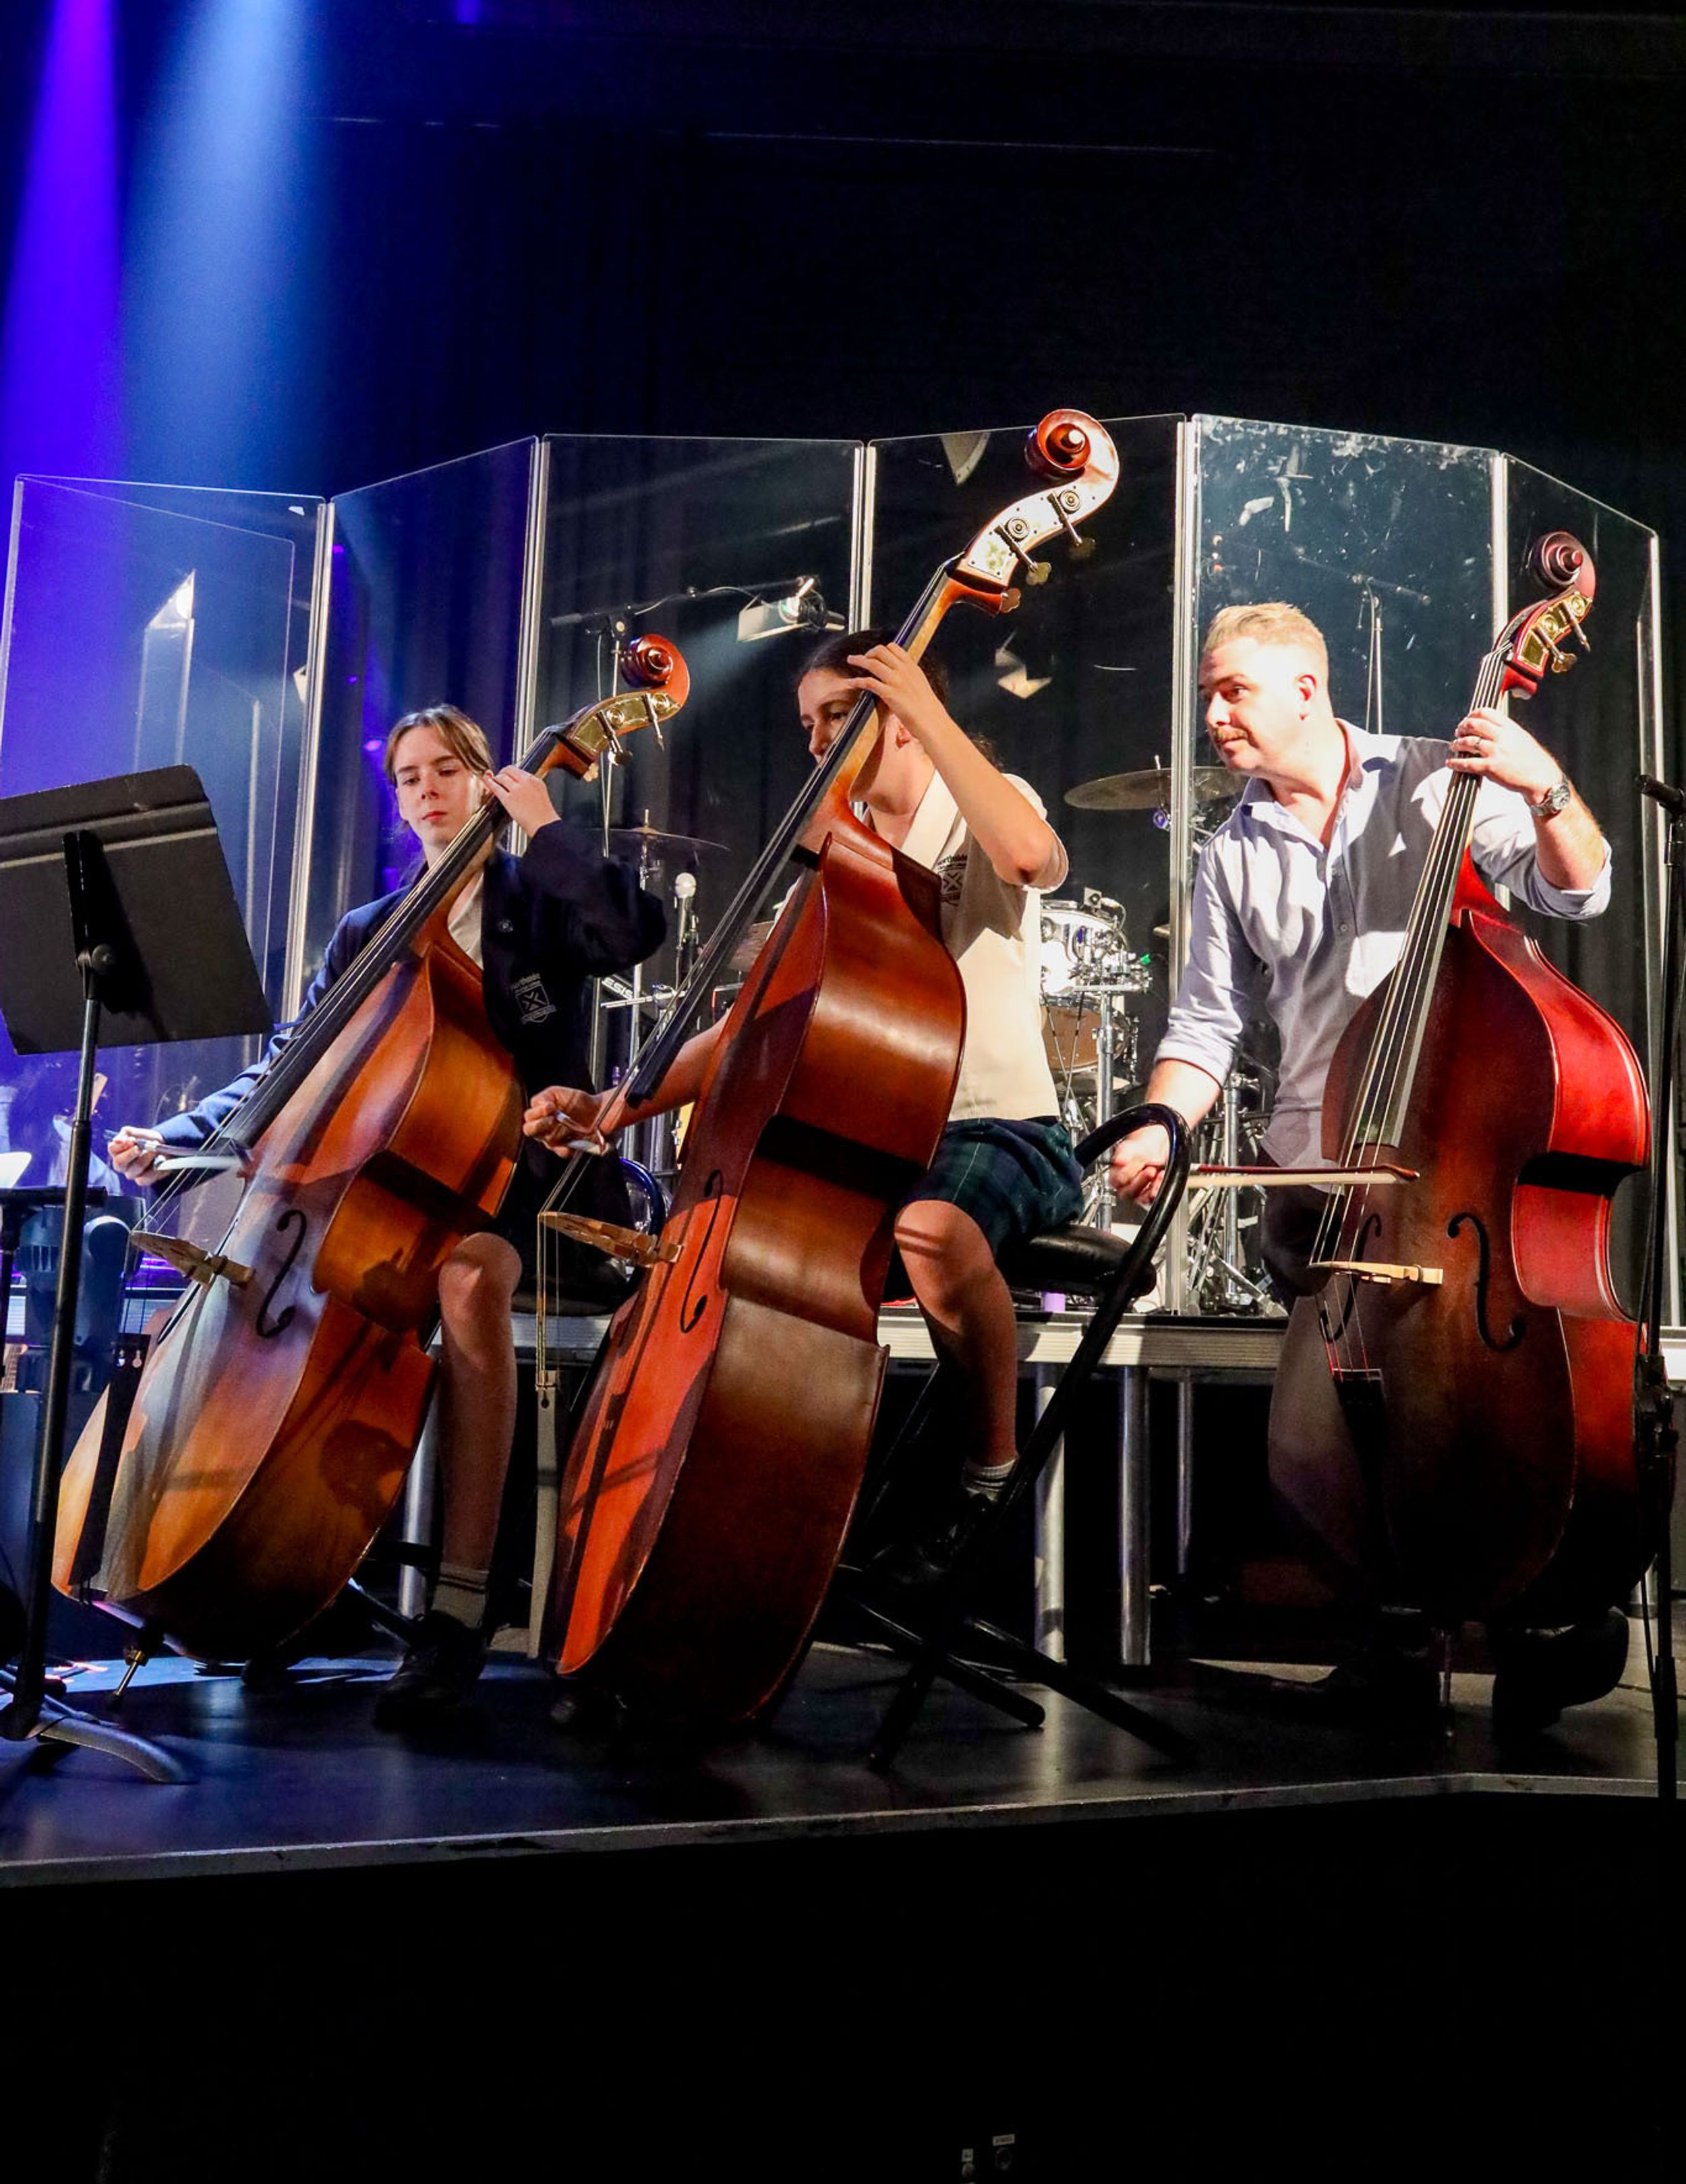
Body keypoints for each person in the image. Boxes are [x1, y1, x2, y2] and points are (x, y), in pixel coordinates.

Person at [1107, 600, 1623, 1729]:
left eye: (1233, 690)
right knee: (1350, 1417)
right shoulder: (1231, 851)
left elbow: (1579, 889)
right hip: (1320, 1172)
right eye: (1209, 693)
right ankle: (1391, 1627)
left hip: (1456, 1161)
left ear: (1307, 688)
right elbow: (1204, 1029)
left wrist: (1544, 787)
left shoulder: (1440, 779)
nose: (1214, 714)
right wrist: (1159, 1125)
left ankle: (1544, 1605)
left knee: (1481, 1396)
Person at [111, 705, 665, 1723]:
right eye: (408, 777)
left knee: (467, 1277)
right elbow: (296, 1060)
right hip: (400, 1185)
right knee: (310, 1278)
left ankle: (460, 1606)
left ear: (485, 778)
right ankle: (297, 1565)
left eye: (446, 769)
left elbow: (632, 933)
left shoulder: (535, 902)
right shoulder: (370, 932)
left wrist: (546, 828)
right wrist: (183, 1135)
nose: (426, 790)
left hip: (531, 1176)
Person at [525, 630, 1084, 1586]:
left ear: (899, 718)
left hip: (995, 1125)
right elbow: (751, 1020)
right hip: (874, 1139)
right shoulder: (843, 862)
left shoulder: (984, 804)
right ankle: (775, 1503)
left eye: (839, 714)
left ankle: (989, 1476)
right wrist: (616, 1107)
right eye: (808, 723)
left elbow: (1032, 856)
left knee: (933, 1229)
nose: (819, 740)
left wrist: (925, 708)